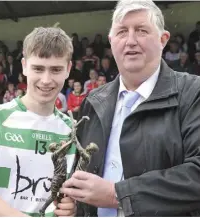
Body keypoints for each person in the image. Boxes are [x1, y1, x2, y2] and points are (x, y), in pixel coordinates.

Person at [60, 0, 200, 216]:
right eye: (122, 32)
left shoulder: (193, 93)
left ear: (163, 40)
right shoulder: (94, 101)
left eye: (142, 31)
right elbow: (82, 169)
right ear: (111, 41)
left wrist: (117, 195)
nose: (131, 41)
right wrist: (75, 204)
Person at [0, 27, 76, 217]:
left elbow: (69, 196)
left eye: (56, 70)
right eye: (38, 68)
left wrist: (73, 207)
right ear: (24, 66)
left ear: (68, 69)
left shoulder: (73, 130)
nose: (46, 80)